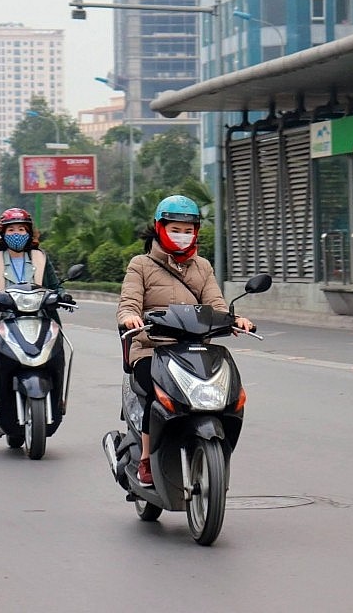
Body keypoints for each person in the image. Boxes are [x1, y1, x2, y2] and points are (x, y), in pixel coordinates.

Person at [116, 195, 255, 487]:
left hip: (193, 349)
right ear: (159, 228)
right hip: (152, 349)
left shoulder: (202, 267)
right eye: (175, 229)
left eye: (188, 230)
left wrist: (234, 319)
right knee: (158, 393)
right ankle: (145, 460)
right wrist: (130, 317)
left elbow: (216, 304)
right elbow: (129, 302)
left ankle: (213, 452)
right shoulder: (140, 265)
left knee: (225, 391)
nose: (182, 235)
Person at [0, 207, 69, 409]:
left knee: (57, 353)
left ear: (29, 232)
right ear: (3, 234)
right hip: (5, 317)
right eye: (11, 230)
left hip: (39, 316)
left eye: (21, 230)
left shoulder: (40, 257)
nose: (17, 234)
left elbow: (55, 285)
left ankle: (57, 394)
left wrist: (63, 295)